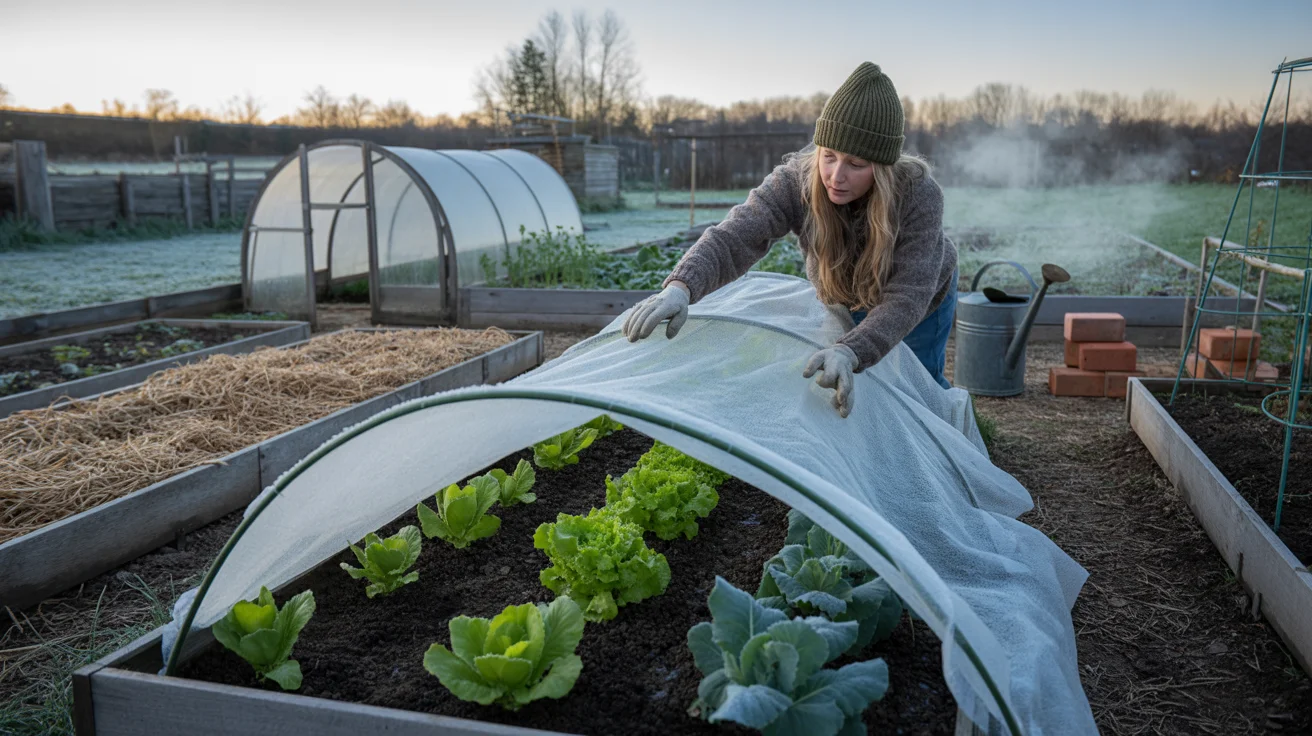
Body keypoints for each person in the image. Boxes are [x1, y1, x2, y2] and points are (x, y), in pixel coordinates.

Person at [622, 62, 958, 418]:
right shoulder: (796, 180)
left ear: (882, 168)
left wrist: (852, 350)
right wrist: (681, 287)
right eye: (829, 156)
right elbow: (735, 236)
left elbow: (907, 294)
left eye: (856, 164)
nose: (836, 176)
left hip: (919, 303)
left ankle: (943, 442)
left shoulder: (918, 195)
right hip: (845, 295)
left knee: (917, 392)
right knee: (849, 386)